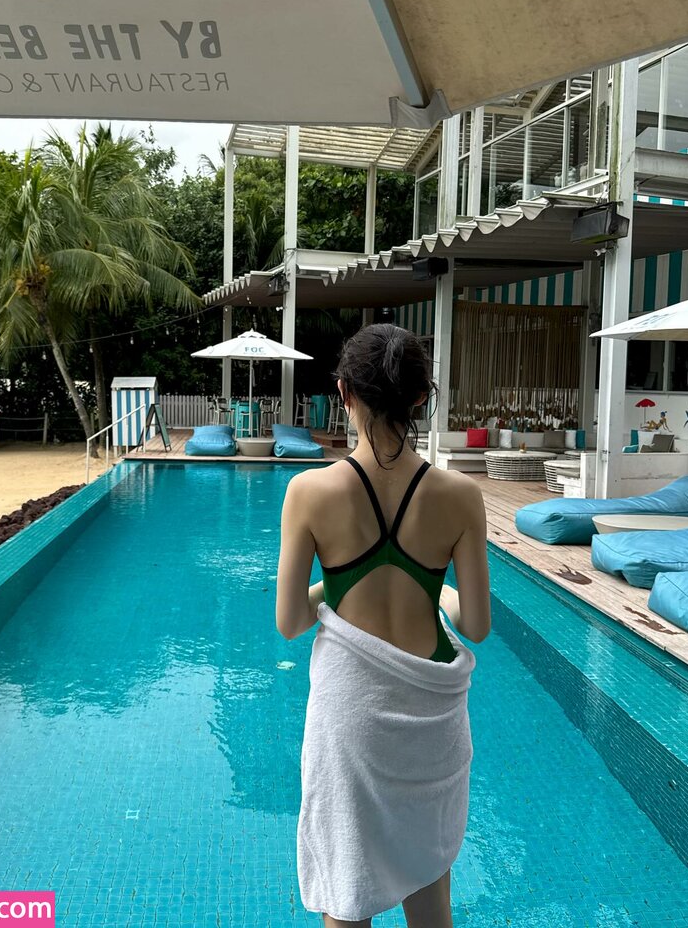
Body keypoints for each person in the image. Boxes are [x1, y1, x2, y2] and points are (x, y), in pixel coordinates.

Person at [276, 323, 490, 928]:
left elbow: (291, 621)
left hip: (352, 721)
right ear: (421, 397)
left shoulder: (309, 491)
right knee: (430, 892)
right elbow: (476, 624)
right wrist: (438, 592)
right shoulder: (461, 496)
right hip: (432, 726)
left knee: (347, 894)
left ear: (343, 392)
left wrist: (339, 584)